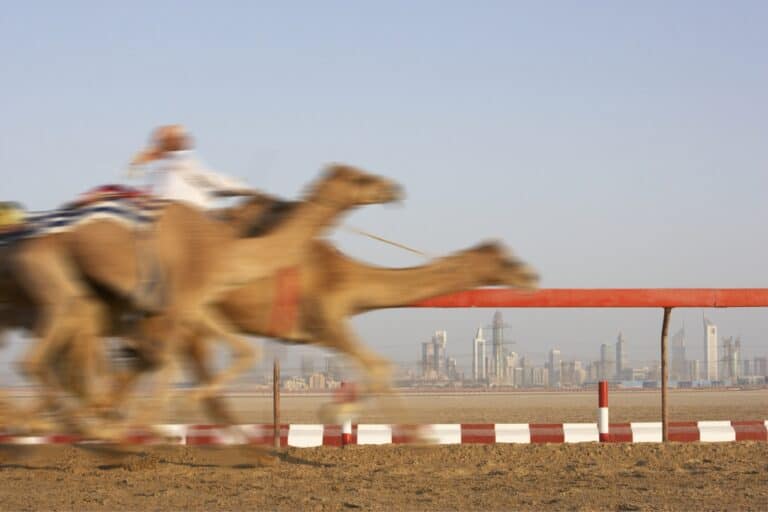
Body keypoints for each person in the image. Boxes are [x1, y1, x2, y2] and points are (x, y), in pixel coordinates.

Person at [129, 124, 252, 209]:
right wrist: (245, 188)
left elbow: (135, 178)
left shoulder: (156, 167)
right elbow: (212, 180)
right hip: (193, 214)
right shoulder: (183, 162)